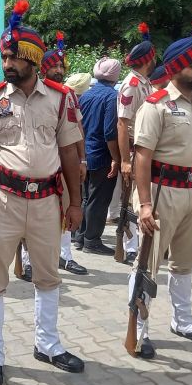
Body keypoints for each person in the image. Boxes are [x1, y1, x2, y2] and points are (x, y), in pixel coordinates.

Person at [0, 0, 85, 385]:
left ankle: (47, 344)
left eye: (14, 57)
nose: (7, 63)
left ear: (32, 58)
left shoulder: (60, 98)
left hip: (48, 201)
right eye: (5, 56)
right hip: (2, 200)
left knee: (48, 275)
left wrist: (76, 202)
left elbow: (69, 153)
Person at [132, 17, 192, 358]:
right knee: (148, 262)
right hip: (161, 191)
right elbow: (142, 157)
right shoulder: (155, 105)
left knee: (185, 262)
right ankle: (138, 328)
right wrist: (143, 205)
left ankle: (183, 321)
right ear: (178, 67)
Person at [34, 31, 87, 275]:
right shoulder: (34, 93)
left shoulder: (69, 95)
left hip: (64, 163)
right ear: (43, 69)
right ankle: (26, 259)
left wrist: (82, 159)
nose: (59, 70)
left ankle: (64, 256)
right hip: (39, 164)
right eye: (53, 66)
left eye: (60, 65)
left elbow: (77, 130)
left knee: (66, 209)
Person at [114, 23, 157, 258]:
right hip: (132, 147)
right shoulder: (131, 86)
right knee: (130, 200)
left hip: (144, 147)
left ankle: (139, 245)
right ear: (148, 59)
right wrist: (125, 160)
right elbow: (122, 124)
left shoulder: (145, 83)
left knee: (140, 196)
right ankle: (131, 248)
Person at [75, 58, 124, 261]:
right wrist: (116, 158)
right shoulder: (112, 97)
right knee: (99, 199)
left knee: (87, 197)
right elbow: (110, 133)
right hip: (102, 155)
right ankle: (92, 240)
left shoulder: (85, 95)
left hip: (85, 154)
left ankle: (80, 236)